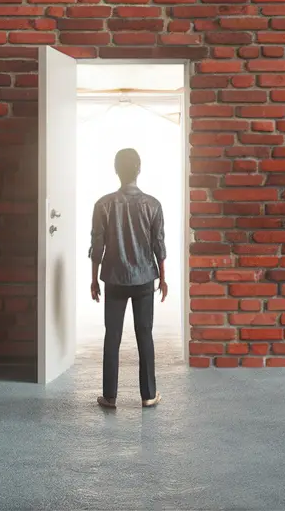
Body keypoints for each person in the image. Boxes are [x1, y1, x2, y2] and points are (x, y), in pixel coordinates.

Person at [88, 148, 168, 409]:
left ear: (116, 170)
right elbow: (159, 245)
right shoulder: (153, 204)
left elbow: (96, 246)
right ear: (139, 169)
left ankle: (109, 396)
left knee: (112, 336)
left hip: (113, 277)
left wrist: (93, 279)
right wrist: (163, 278)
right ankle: (148, 395)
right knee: (145, 334)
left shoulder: (103, 204)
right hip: (145, 278)